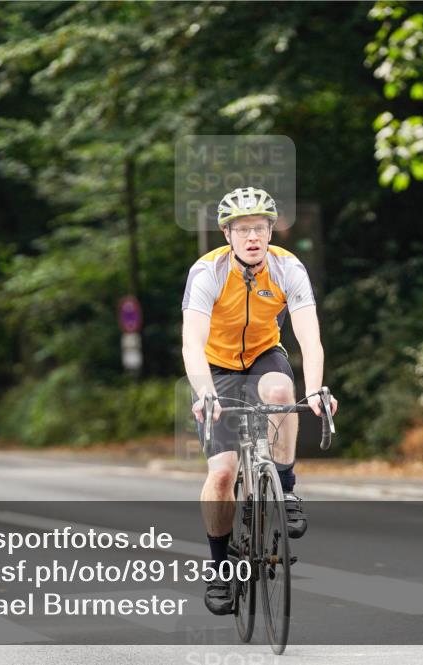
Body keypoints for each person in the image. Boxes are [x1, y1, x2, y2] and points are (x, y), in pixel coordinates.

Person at [182, 186, 338, 615]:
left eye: (260, 228)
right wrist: (205, 393)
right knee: (221, 475)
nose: (252, 237)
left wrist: (315, 390)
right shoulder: (207, 271)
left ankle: (284, 488)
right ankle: (219, 569)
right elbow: (191, 343)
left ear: (271, 232)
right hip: (215, 368)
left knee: (282, 394)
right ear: (227, 235)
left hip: (265, 357)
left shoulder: (288, 268)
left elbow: (310, 336)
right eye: (243, 229)